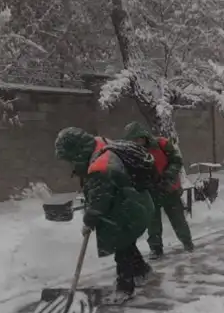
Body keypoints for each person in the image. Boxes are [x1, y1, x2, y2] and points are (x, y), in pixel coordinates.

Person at [54, 127, 156, 299]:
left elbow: (99, 201)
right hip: (136, 202)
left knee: (121, 247)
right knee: (126, 242)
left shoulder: (101, 166)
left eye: (70, 158)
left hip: (130, 208)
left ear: (77, 152)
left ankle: (125, 288)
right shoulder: (99, 144)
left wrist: (88, 221)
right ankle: (141, 270)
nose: (70, 163)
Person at [122, 121, 194, 259]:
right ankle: (156, 249)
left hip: (169, 189)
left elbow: (177, 160)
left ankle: (187, 243)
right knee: (152, 223)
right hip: (150, 192)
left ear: (145, 136)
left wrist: (168, 176)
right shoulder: (131, 153)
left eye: (138, 139)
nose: (137, 143)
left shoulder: (162, 144)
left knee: (178, 219)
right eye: (133, 140)